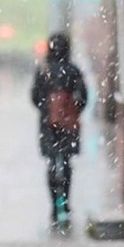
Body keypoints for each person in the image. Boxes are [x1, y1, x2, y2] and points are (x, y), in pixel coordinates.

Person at [31, 33, 88, 223]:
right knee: (66, 163)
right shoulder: (73, 70)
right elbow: (83, 97)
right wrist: (72, 111)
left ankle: (53, 206)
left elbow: (35, 96)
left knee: (51, 163)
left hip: (48, 125)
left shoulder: (44, 70)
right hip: (68, 125)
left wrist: (47, 110)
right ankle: (65, 202)